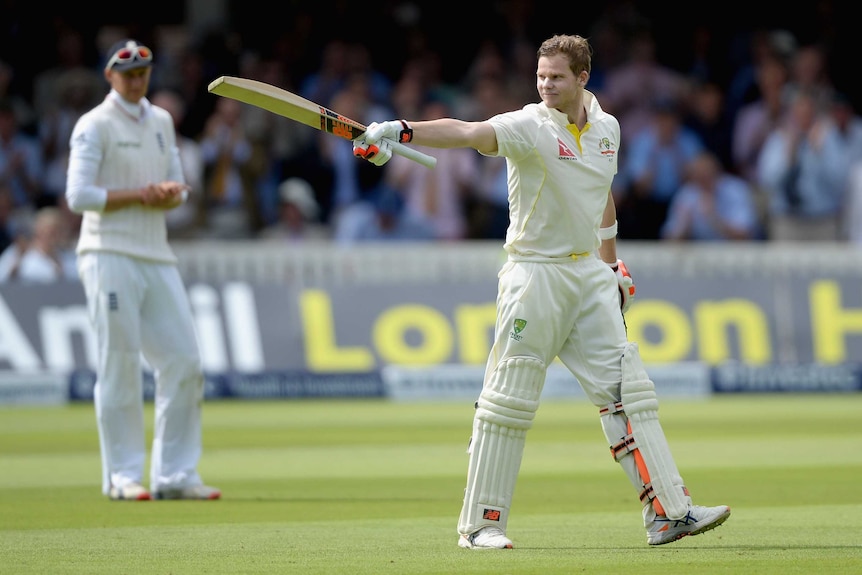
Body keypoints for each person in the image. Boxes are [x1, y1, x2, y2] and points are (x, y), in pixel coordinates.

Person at [353, 33, 730, 549]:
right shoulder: (528, 125)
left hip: (588, 279)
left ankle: (668, 513)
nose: (546, 84)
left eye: (555, 76)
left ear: (582, 78)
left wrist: (611, 264)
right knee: (508, 402)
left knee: (629, 394)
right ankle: (480, 526)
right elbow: (467, 131)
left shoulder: (608, 129)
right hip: (535, 275)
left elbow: (600, 198)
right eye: (540, 76)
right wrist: (402, 130)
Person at [65, 39, 220, 502]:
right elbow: (78, 197)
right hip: (107, 252)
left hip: (156, 254)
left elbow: (177, 189)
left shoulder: (161, 121)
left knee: (185, 362)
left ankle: (174, 474)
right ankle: (122, 475)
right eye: (128, 73)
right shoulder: (94, 125)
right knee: (120, 362)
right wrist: (141, 195)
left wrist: (172, 193)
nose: (137, 81)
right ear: (110, 76)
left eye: (143, 73)